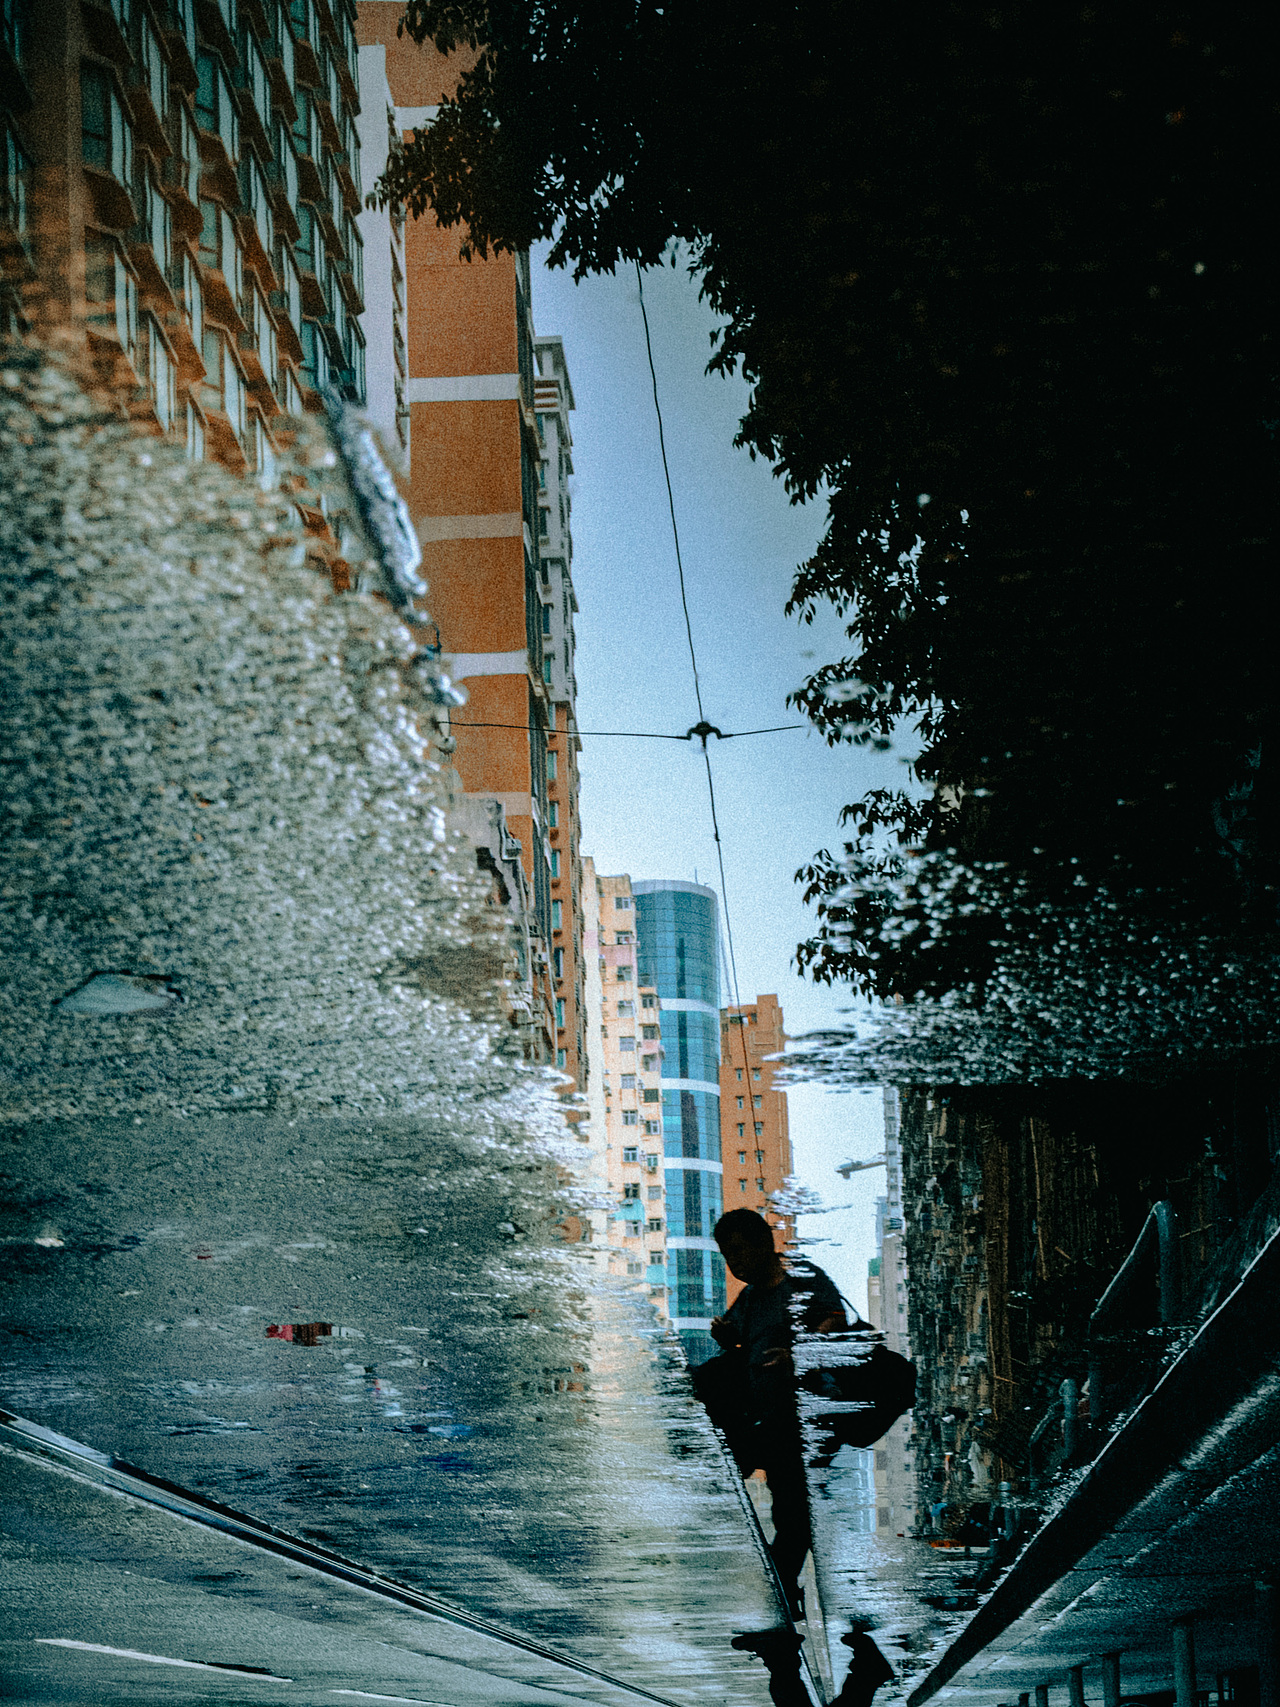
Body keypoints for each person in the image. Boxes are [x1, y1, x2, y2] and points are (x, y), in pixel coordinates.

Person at [703, 1208, 846, 1614]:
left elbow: (835, 1322)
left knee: (793, 1513)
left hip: (806, 1419)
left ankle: (780, 1598)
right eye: (727, 1257)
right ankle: (781, 1594)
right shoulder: (749, 1299)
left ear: (764, 1243)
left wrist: (798, 1354)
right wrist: (727, 1336)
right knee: (781, 1509)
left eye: (739, 1251)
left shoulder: (803, 1280)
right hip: (765, 1420)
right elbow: (739, 1348)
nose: (735, 1264)